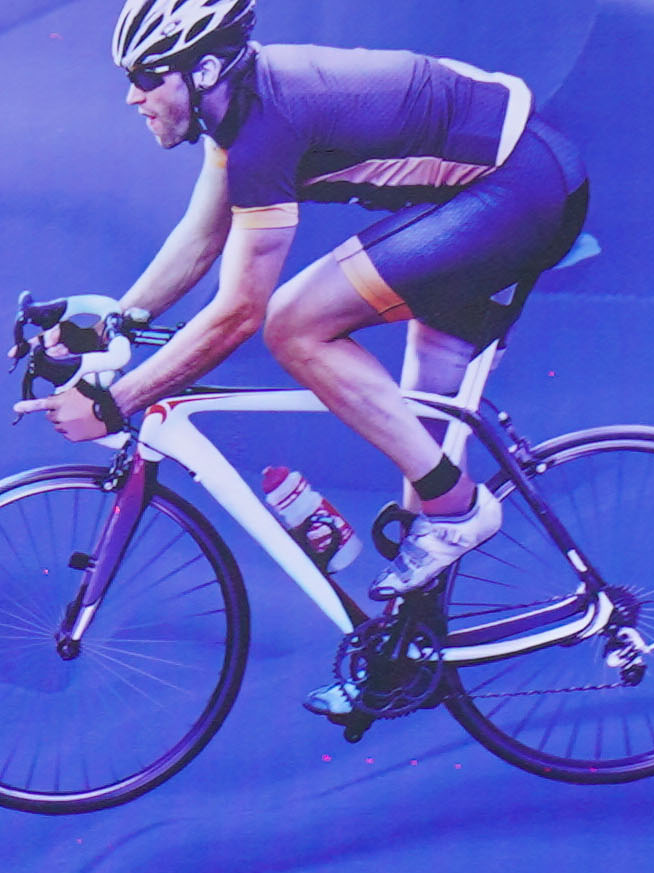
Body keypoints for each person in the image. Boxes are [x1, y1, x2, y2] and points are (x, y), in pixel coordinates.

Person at [38, 0, 592, 672]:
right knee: (416, 448)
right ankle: (406, 656)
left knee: (296, 324)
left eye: (148, 77)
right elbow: (201, 238)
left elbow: (238, 315)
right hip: (511, 178)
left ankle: (459, 509)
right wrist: (109, 325)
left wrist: (115, 402)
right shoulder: (236, 115)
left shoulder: (265, 128)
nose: (133, 96)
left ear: (204, 71)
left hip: (518, 190)